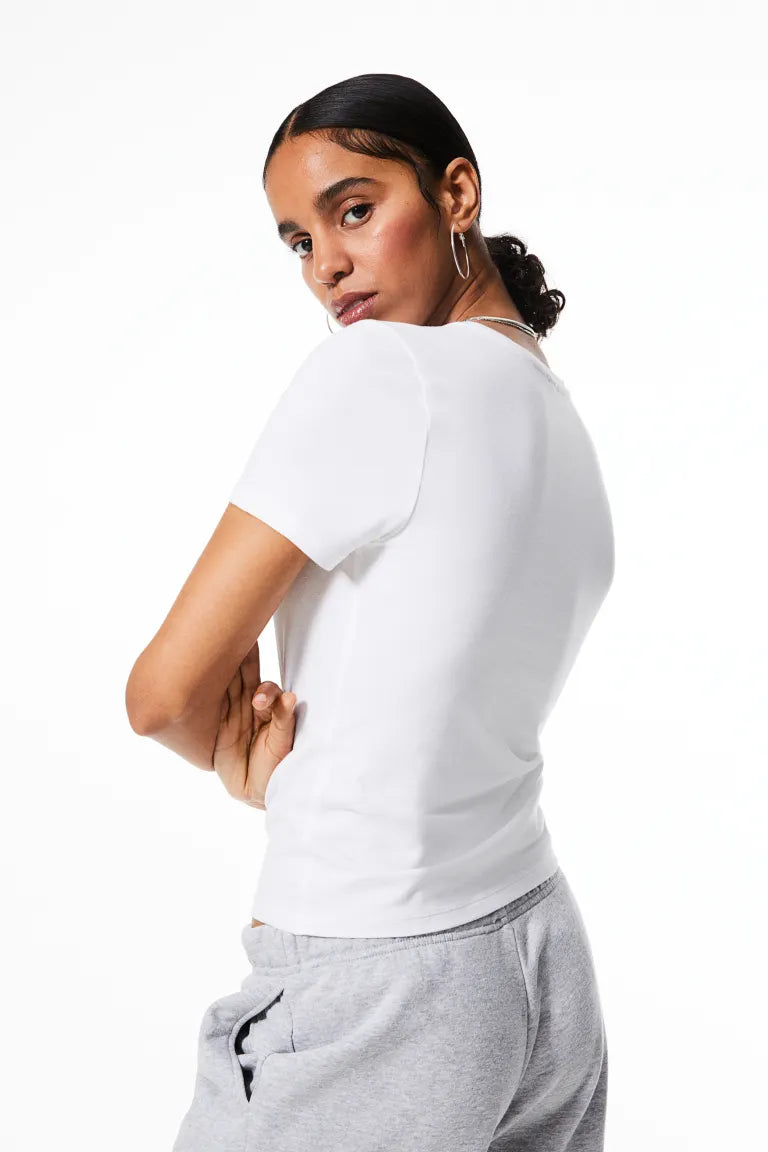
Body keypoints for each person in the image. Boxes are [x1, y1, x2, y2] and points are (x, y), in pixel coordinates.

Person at [127, 72, 614, 1152]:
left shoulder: (382, 372)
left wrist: (250, 769)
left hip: (375, 978)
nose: (326, 265)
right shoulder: (552, 410)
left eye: (353, 210)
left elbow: (161, 695)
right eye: (300, 241)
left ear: (456, 193)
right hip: (537, 957)